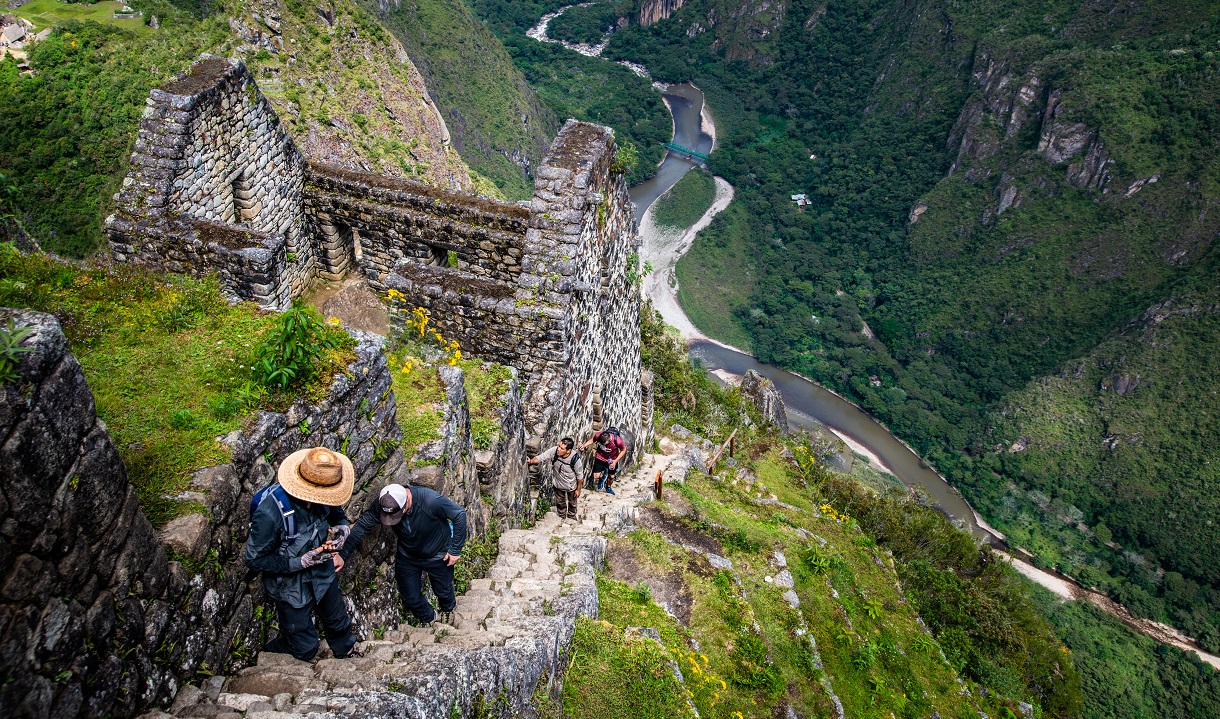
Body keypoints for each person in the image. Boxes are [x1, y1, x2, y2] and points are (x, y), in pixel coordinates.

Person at [245, 446, 360, 661]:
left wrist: (342, 528)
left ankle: (346, 651)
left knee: (338, 621)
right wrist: (300, 562)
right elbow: (254, 559)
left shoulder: (326, 497)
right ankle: (272, 653)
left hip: (322, 572)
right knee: (305, 648)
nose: (327, 499)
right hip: (289, 585)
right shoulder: (271, 514)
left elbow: (336, 513)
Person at [339, 483, 467, 627]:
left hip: (437, 554)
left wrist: (455, 550)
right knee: (410, 597)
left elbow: (459, 515)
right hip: (408, 555)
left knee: (443, 589)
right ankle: (430, 619)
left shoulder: (429, 500)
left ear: (407, 501)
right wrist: (342, 555)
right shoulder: (384, 503)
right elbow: (362, 525)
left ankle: (447, 610)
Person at [528, 437, 583, 521]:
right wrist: (531, 461)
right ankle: (562, 517)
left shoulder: (575, 459)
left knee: (572, 502)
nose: (558, 449)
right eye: (559, 446)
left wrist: (578, 490)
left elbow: (580, 476)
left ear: (568, 451)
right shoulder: (554, 451)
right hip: (558, 483)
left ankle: (571, 517)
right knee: (560, 502)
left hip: (571, 485)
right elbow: (542, 457)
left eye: (562, 448)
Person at [580, 427, 626, 495]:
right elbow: (593, 439)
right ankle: (603, 478)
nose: (604, 445)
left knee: (611, 477)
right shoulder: (599, 436)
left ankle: (608, 487)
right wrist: (583, 446)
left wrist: (615, 461)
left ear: (609, 440)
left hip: (612, 460)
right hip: (600, 457)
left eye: (605, 443)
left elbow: (624, 450)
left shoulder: (617, 440)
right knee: (596, 476)